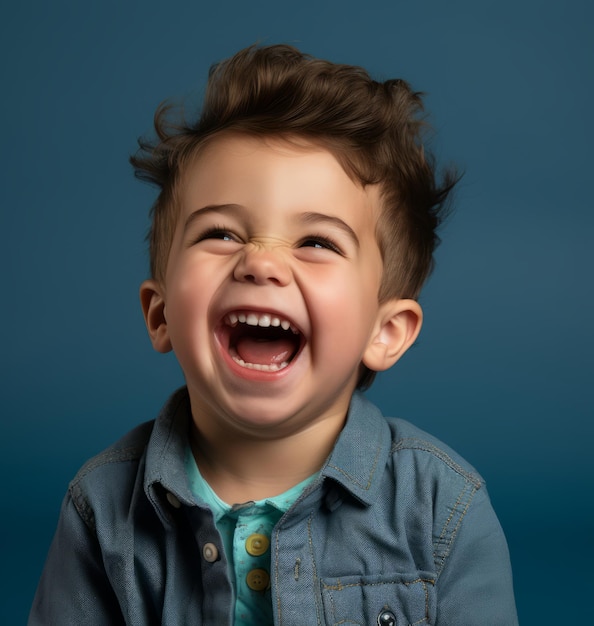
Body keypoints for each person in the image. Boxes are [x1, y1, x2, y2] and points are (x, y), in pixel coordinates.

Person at [29, 44, 518, 625]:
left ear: (385, 332)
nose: (260, 262)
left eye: (316, 242)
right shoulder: (103, 509)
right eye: (221, 233)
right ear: (160, 315)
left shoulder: (443, 510)